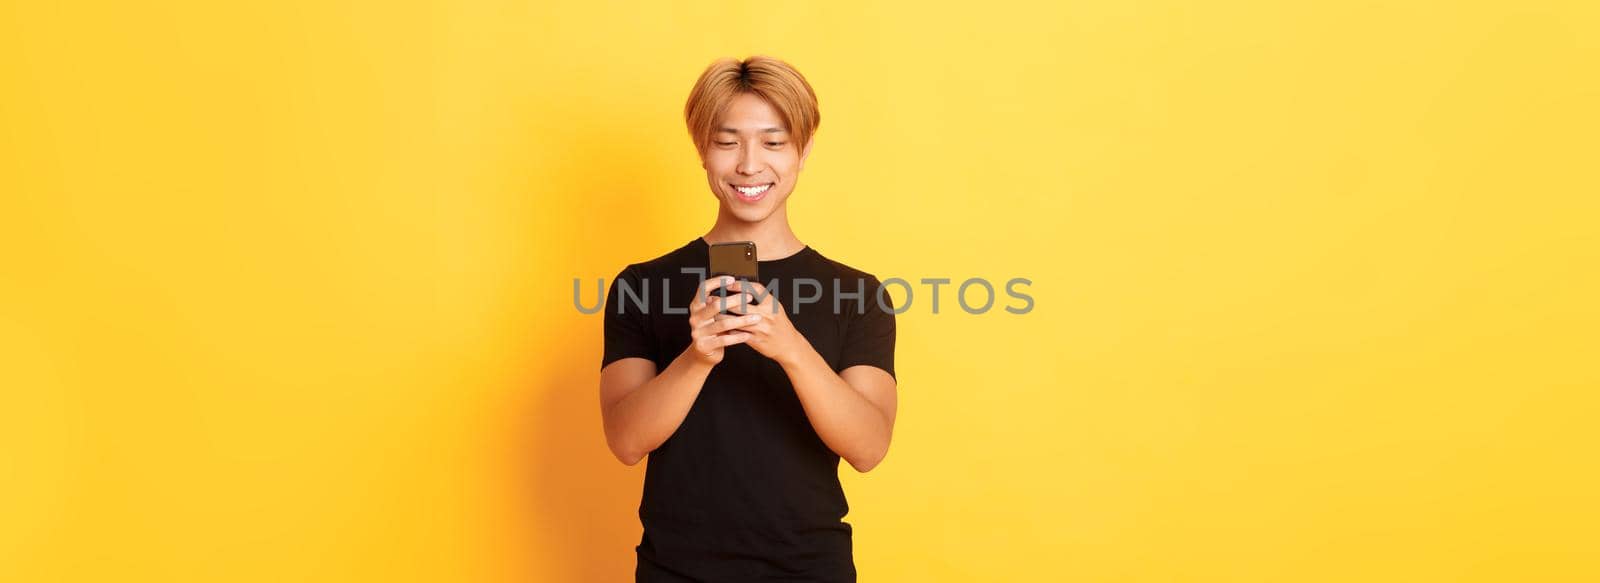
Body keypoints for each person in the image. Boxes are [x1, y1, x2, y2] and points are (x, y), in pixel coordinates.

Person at [598, 56, 899, 582]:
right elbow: (625, 442)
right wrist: (697, 357)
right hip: (676, 567)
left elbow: (869, 448)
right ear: (702, 152)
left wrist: (789, 346)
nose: (749, 164)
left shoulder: (857, 293)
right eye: (727, 140)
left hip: (809, 567)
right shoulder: (642, 285)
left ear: (803, 152)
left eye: (774, 142)